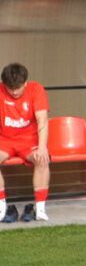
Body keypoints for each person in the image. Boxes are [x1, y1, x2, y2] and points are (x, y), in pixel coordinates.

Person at [0, 63, 50, 223]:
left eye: (18, 87)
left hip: (29, 140)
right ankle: (1, 207)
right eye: (10, 88)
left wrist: (42, 148)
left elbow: (42, 119)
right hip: (4, 139)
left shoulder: (36, 89)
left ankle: (40, 209)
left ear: (26, 82)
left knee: (42, 159)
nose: (14, 92)